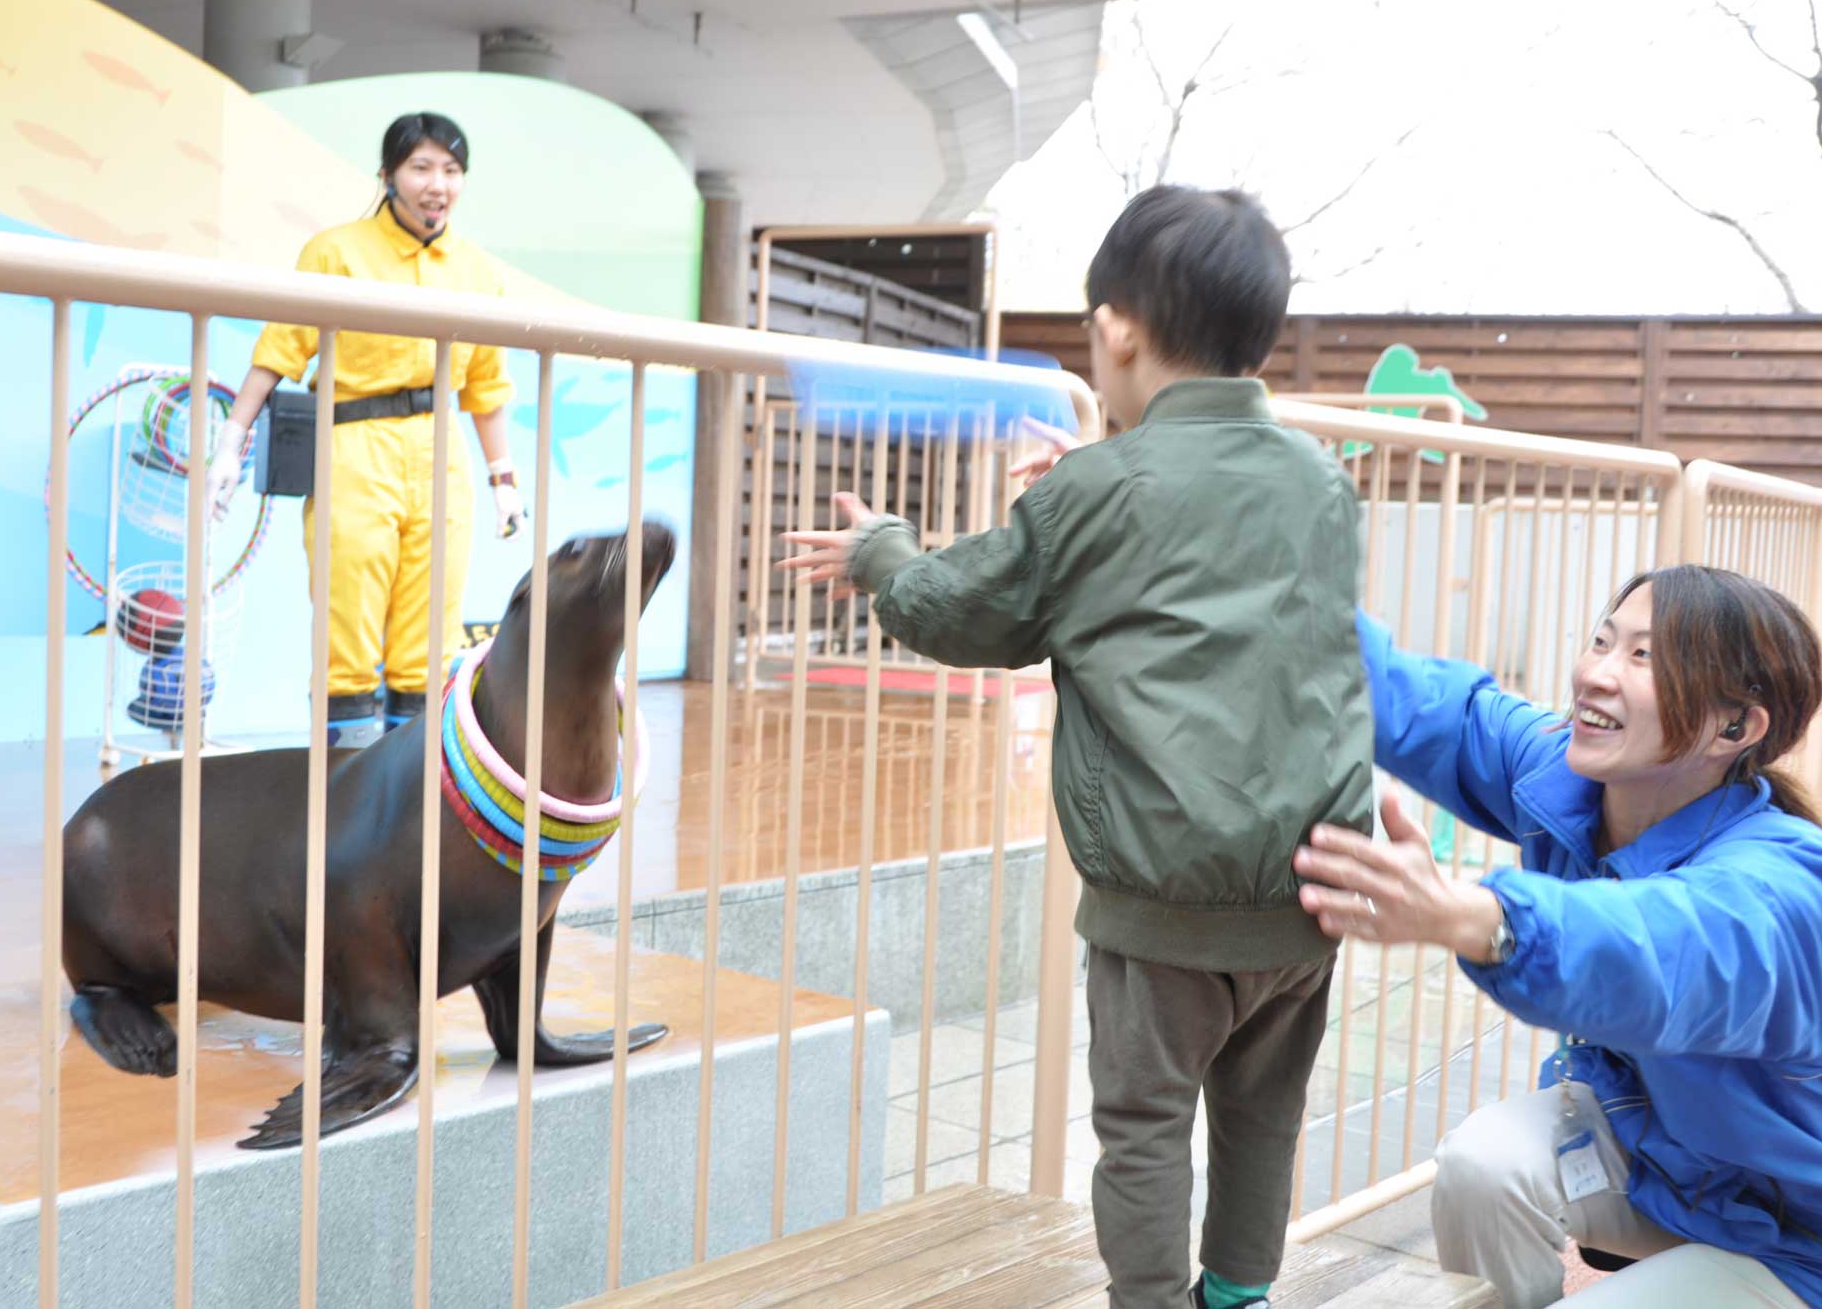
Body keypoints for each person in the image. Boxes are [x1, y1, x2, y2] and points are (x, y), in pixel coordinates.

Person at [781, 186, 1373, 1309]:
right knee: (1262, 1109)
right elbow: (1213, 577)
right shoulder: (1317, 479)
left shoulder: (1097, 491)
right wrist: (1095, 482)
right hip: (1311, 886)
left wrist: (879, 548)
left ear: (1114, 328)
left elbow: (966, 612)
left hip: (1164, 892)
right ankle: (1238, 1295)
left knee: (1143, 1123)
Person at [1293, 565, 1822, 1308]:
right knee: (1484, 1162)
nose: (1595, 674)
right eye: (1602, 641)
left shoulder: (1778, 885)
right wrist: (1249, 538)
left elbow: (1652, 944)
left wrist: (1481, 916)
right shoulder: (1569, 783)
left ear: (1734, 727)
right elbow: (1425, 704)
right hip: (1661, 1161)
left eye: (1644, 658)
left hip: (1792, 1236)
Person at [206, 112, 525, 748]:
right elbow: (281, 347)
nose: (438, 184)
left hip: (441, 455)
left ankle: (412, 797)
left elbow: (485, 387)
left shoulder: (480, 272)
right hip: (353, 445)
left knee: (430, 638)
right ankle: (341, 791)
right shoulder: (336, 251)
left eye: (452, 170)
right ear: (387, 175)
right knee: (347, 629)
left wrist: (504, 479)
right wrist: (231, 440)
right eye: (422, 167)